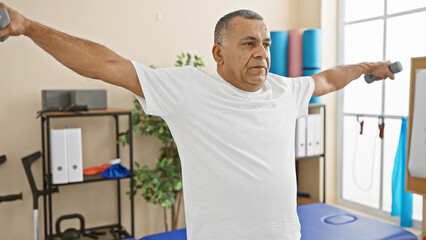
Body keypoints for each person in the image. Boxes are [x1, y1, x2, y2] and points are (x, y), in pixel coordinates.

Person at [0, 3, 395, 240]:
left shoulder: (284, 90)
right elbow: (105, 65)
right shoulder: (185, 90)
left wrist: (365, 67)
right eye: (248, 43)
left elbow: (326, 79)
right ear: (218, 53)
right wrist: (29, 27)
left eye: (266, 43)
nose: (261, 52)